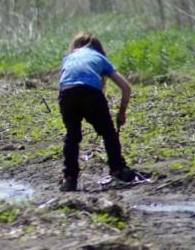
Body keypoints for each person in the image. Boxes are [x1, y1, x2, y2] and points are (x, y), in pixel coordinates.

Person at [57, 32, 138, 192]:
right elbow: (126, 87)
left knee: (72, 136)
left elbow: (65, 80)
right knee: (108, 133)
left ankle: (70, 179)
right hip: (90, 93)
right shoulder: (100, 58)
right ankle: (118, 170)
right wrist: (121, 113)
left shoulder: (69, 58)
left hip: (66, 93)